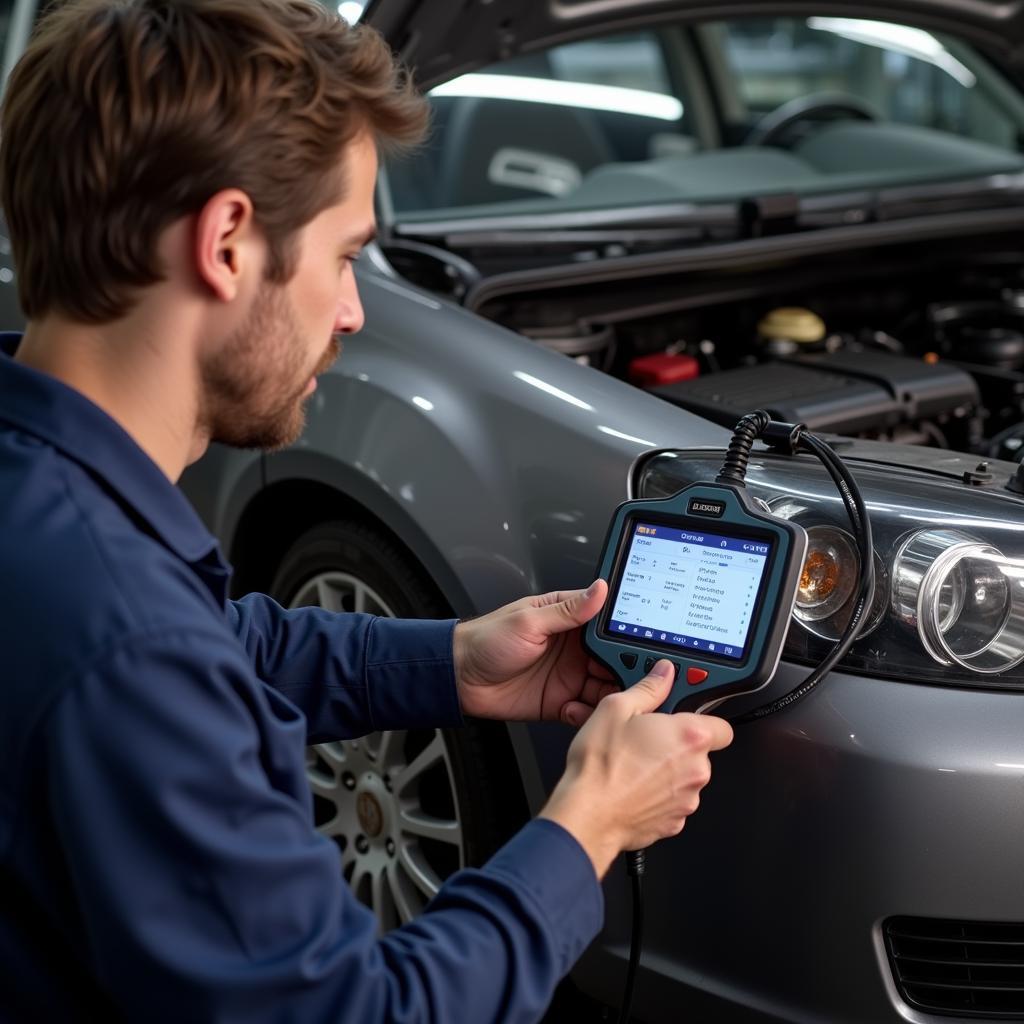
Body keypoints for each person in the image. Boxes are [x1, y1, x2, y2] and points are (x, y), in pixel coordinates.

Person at [0, 0, 734, 1020]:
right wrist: (587, 826)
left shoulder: (47, 503)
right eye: (344, 255)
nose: (351, 311)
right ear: (225, 244)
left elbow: (219, 647)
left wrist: (451, 661)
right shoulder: (123, 639)